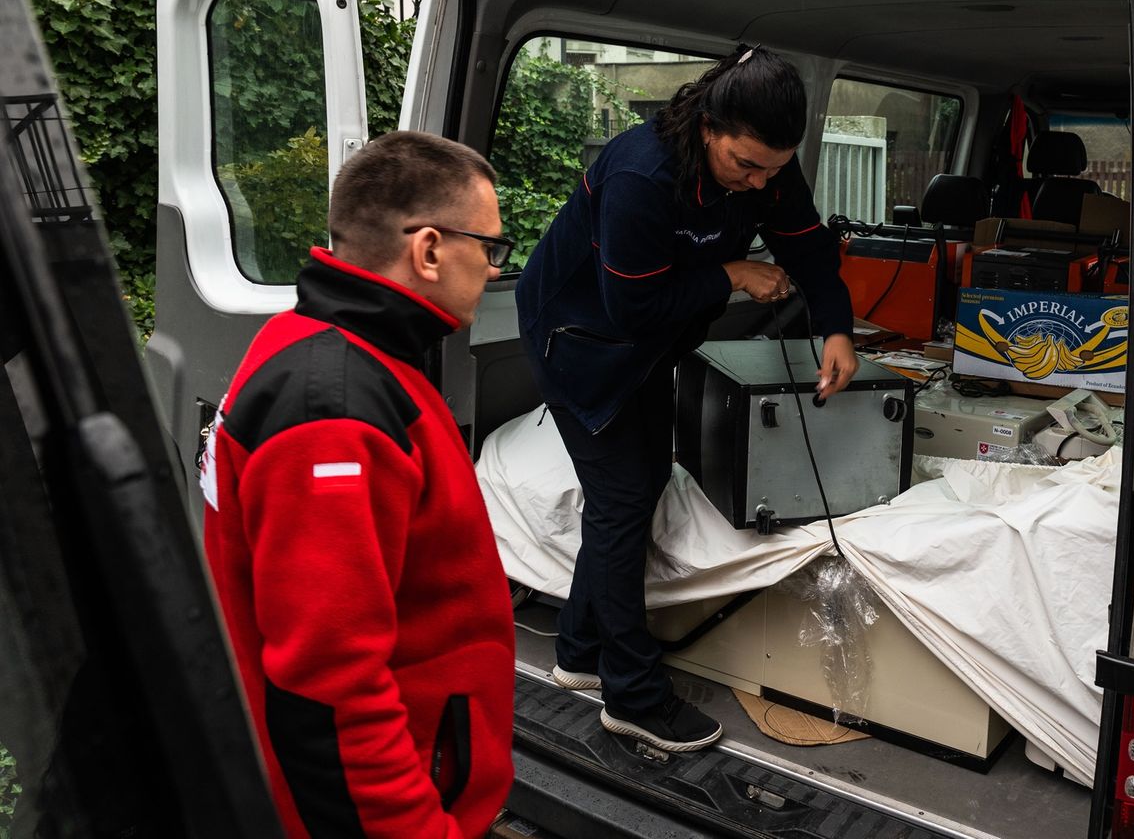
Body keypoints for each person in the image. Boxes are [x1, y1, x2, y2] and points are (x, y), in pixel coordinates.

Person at [517, 45, 857, 752]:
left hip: (647, 339)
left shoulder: (766, 164)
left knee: (635, 492)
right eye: (745, 166)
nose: (760, 182)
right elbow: (632, 305)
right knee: (622, 498)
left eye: (772, 167)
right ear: (708, 126)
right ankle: (632, 697)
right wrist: (733, 272)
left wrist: (835, 328)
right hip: (580, 339)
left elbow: (807, 249)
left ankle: (579, 652)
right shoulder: (641, 173)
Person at [201, 131, 516, 838]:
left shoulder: (329, 344)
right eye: (490, 249)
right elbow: (332, 689)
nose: (495, 270)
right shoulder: (335, 412)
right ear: (429, 249)